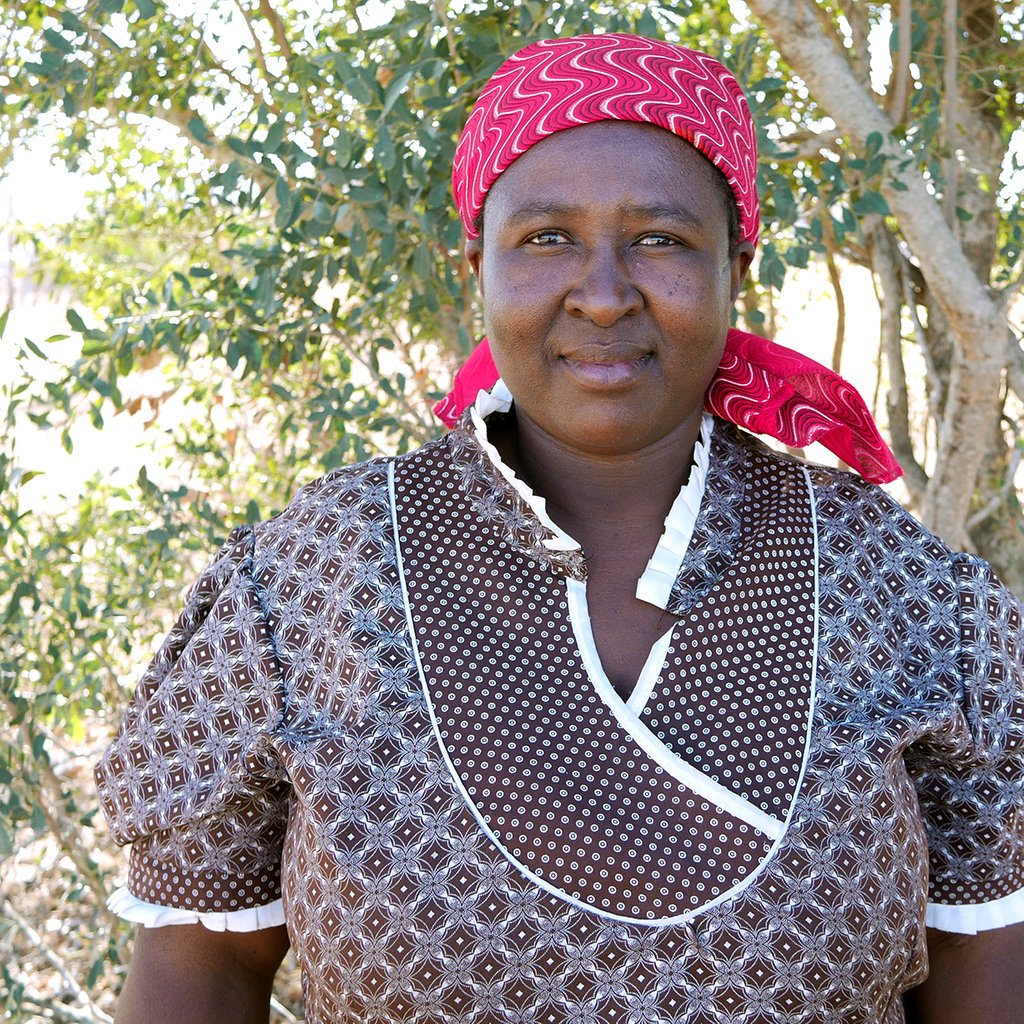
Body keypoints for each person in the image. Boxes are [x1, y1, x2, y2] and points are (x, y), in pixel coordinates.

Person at [96, 32, 1024, 1024]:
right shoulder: (305, 582)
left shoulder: (913, 598)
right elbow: (202, 976)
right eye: (546, 239)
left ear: (735, 266)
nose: (603, 292)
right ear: (476, 266)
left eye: (659, 239)